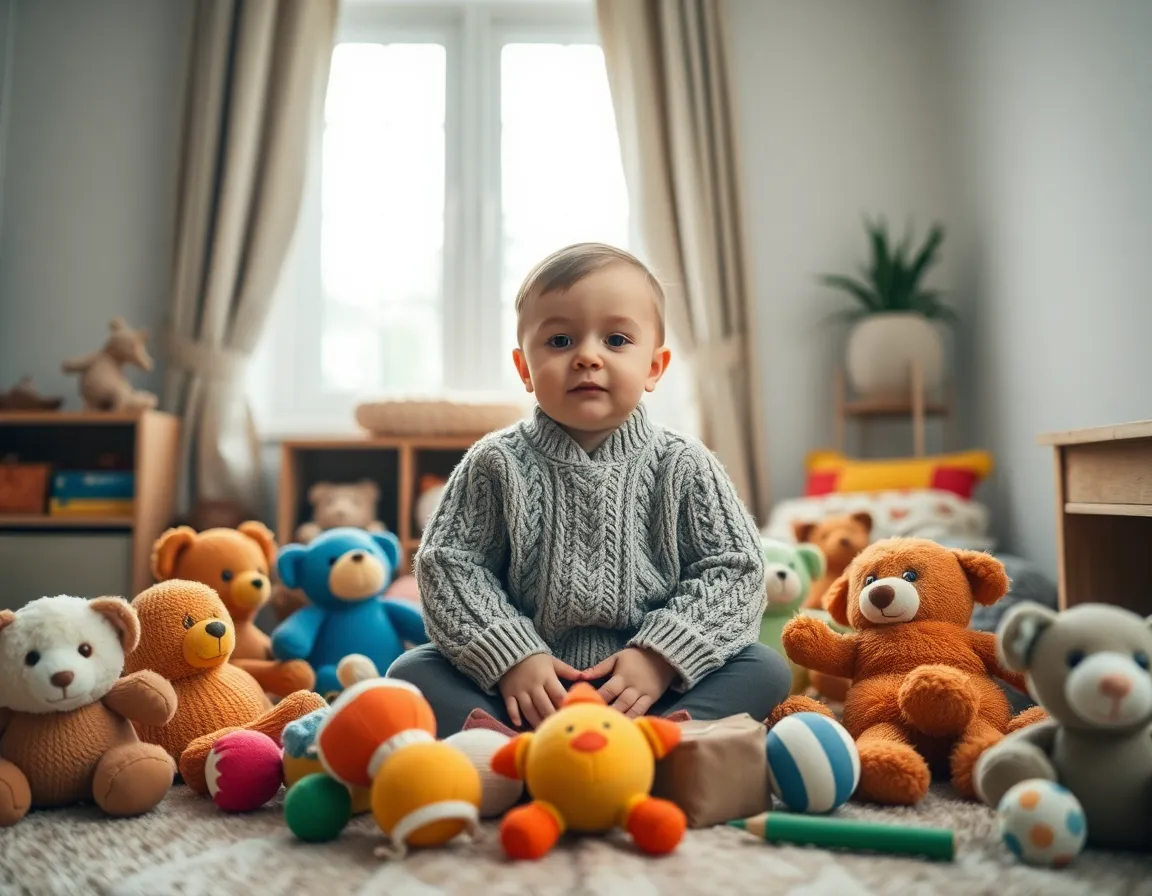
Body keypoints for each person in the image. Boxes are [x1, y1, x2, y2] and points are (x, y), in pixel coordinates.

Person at [387, 242, 791, 735]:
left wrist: (661, 655)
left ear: (654, 368)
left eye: (617, 340)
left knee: (766, 668)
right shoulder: (494, 462)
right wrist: (512, 655)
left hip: (648, 691)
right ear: (524, 370)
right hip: (530, 689)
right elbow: (448, 564)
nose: (587, 357)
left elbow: (736, 569)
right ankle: (517, 747)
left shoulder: (685, 464)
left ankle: (657, 741)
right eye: (560, 341)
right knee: (410, 673)